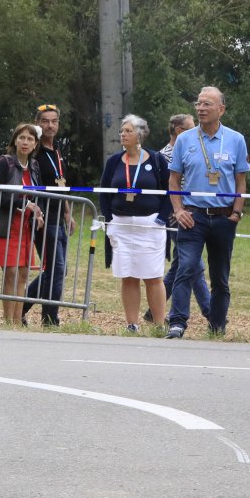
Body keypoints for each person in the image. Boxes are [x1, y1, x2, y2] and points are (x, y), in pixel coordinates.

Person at [165, 86, 248, 339]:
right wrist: (178, 210)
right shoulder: (185, 139)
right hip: (193, 216)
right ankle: (177, 323)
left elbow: (241, 180)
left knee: (220, 277)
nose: (200, 108)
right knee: (186, 267)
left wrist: (237, 213)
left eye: (207, 104)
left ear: (221, 109)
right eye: (198, 104)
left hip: (224, 217)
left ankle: (216, 326)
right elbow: (174, 179)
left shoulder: (236, 139)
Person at [100, 115, 168, 334]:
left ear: (140, 134)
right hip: (121, 225)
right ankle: (132, 324)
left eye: (128, 131)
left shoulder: (156, 160)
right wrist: (109, 219)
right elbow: (104, 192)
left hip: (149, 225)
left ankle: (159, 325)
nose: (123, 134)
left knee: (153, 276)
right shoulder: (114, 161)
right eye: (122, 131)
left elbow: (169, 191)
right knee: (128, 275)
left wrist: (162, 218)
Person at [0, 123, 45, 325]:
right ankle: (9, 321)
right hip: (5, 225)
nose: (25, 142)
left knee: (23, 273)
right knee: (10, 272)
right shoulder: (4, 163)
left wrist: (38, 212)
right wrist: (23, 204)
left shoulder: (34, 166)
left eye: (30, 139)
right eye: (21, 138)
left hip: (25, 227)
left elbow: (37, 195)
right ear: (15, 141)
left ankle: (17, 321)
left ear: (35, 144)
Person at [22, 103, 74, 326]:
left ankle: (20, 307)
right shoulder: (34, 151)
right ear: (38, 124)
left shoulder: (58, 150)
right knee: (55, 269)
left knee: (57, 270)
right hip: (43, 218)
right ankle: (50, 318)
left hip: (58, 216)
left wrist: (68, 213)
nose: (50, 125)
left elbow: (61, 185)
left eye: (54, 121)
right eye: (45, 121)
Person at [159, 113, 209, 321]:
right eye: (191, 127)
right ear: (179, 131)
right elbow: (167, 188)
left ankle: (154, 310)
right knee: (193, 265)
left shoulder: (192, 149)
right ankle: (210, 312)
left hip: (192, 213)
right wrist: (176, 211)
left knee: (182, 264)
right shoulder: (164, 156)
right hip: (177, 216)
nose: (197, 130)